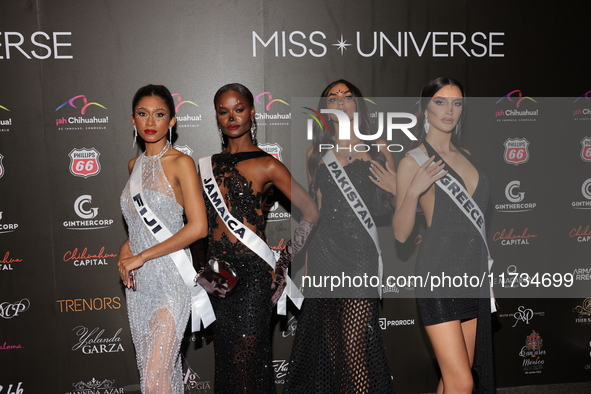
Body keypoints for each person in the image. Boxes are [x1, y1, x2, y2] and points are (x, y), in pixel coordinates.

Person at [197, 83, 318, 393]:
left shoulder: (268, 164)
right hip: (218, 275)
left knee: (247, 361)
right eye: (223, 112)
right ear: (217, 117)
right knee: (226, 359)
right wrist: (201, 270)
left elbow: (312, 212)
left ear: (252, 112)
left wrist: (285, 261)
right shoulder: (205, 166)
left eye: (239, 109)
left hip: (253, 275)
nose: (232, 117)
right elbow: (198, 225)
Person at [284, 79, 396, 393]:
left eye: (347, 96)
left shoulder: (378, 148)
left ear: (357, 104)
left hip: (361, 256)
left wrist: (398, 190)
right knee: (332, 348)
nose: (340, 101)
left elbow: (398, 208)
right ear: (325, 109)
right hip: (324, 254)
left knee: (353, 347)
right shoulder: (315, 154)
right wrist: (306, 265)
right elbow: (315, 212)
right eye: (333, 98)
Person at [393, 77, 494, 393]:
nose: (449, 110)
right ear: (425, 108)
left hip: (472, 273)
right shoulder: (413, 160)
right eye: (440, 101)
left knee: (456, 376)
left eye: (457, 102)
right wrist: (414, 192)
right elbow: (400, 234)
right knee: (462, 382)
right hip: (438, 272)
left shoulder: (468, 154)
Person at [118, 84, 209, 393]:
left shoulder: (181, 163)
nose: (150, 122)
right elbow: (135, 227)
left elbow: (197, 228)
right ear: (133, 120)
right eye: (143, 114)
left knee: (154, 380)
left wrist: (142, 256)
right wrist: (124, 252)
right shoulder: (134, 166)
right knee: (159, 376)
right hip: (140, 286)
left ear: (172, 121)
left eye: (159, 115)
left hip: (171, 281)